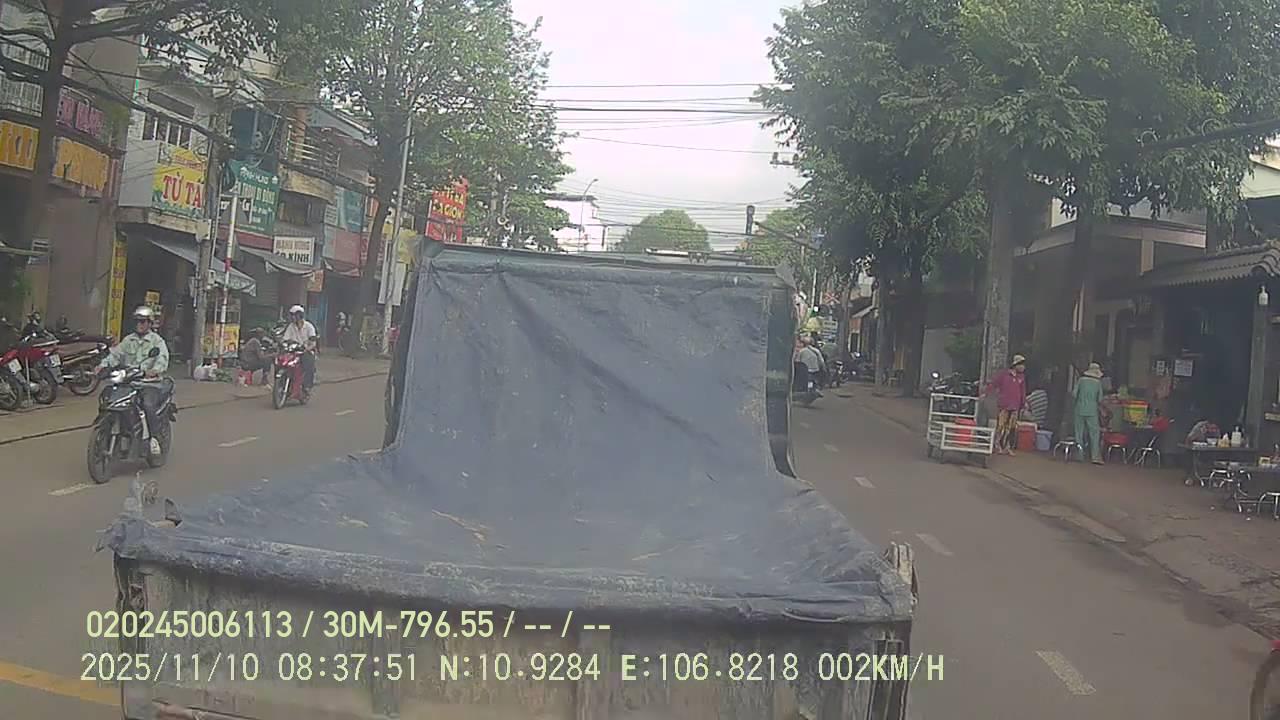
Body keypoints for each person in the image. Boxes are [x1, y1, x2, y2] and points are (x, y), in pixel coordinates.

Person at [98, 306, 170, 455]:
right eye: (137, 321)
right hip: (128, 382)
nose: (139, 324)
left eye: (143, 321)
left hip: (148, 384)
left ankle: (154, 439)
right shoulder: (128, 340)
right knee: (107, 397)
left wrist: (154, 371)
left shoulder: (157, 342)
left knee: (148, 405)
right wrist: (102, 366)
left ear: (150, 323)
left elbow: (162, 360)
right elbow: (116, 355)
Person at [985, 354, 1028, 455]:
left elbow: (1023, 391)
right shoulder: (1004, 375)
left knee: (1011, 427)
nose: (1023, 367)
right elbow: (994, 384)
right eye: (1021, 364)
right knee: (1001, 426)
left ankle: (1007, 446)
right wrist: (985, 393)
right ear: (1016, 365)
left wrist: (1024, 403)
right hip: (1004, 405)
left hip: (1015, 406)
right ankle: (997, 445)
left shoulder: (1021, 377)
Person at [1072, 362, 1106, 465]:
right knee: (1094, 433)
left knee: (1079, 432)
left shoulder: (1081, 380)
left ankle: (1079, 454)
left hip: (1079, 409)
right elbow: (1100, 399)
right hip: (1092, 411)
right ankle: (1095, 457)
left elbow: (1074, 394)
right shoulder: (1098, 383)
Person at [282, 305, 318, 392]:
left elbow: (313, 343)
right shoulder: (291, 326)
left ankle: (307, 386)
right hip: (292, 351)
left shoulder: (309, 326)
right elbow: (285, 338)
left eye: (295, 315)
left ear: (300, 315)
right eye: (292, 315)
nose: (293, 317)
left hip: (305, 351)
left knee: (308, 364)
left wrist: (307, 348)